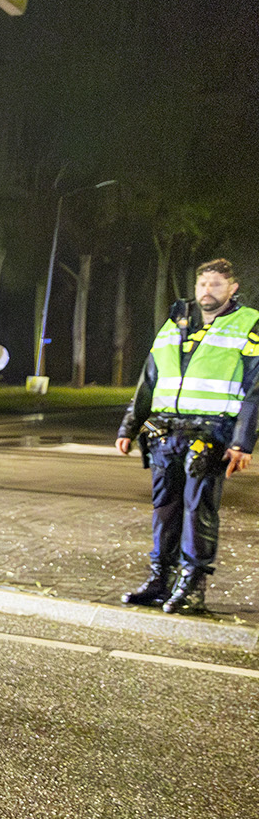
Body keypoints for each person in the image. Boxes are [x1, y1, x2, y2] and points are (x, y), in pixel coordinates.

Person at [116, 258, 259, 614]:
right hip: (164, 432)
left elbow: (255, 389)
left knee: (199, 511)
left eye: (215, 284)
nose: (206, 291)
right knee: (164, 509)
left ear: (232, 288)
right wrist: (130, 428)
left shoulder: (248, 324)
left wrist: (243, 442)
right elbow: (149, 380)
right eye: (202, 285)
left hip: (211, 434)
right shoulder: (173, 323)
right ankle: (159, 580)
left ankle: (192, 588)